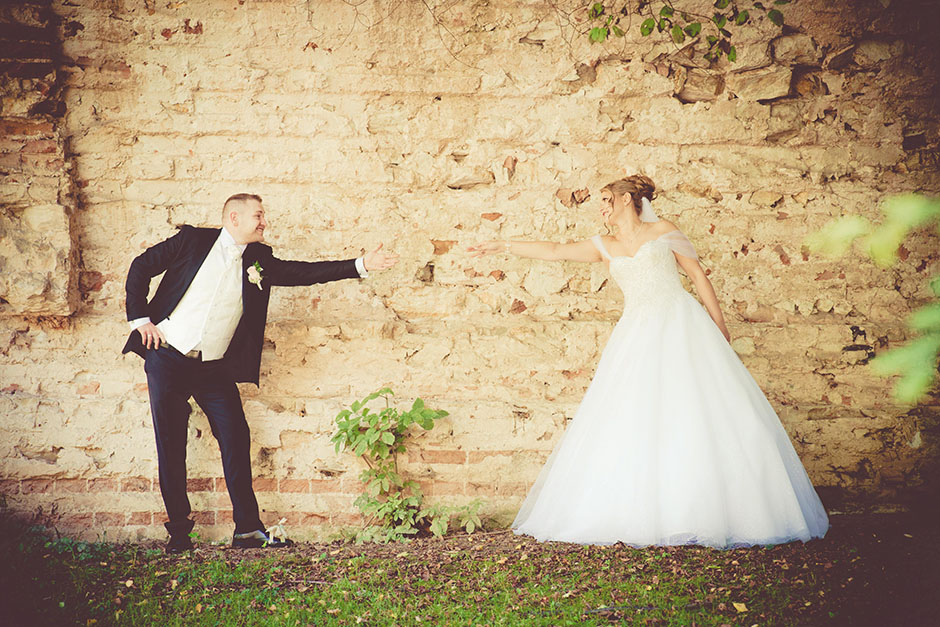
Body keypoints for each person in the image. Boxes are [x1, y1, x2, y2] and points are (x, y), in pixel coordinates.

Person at [467, 175, 829, 548]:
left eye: (607, 199)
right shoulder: (604, 245)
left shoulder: (664, 230)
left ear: (627, 199)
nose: (602, 207)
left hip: (682, 325)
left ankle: (715, 511)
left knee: (699, 410)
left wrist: (720, 326)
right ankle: (644, 512)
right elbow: (557, 250)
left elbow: (697, 276)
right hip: (637, 334)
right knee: (637, 414)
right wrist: (503, 244)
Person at [123, 193, 398, 553]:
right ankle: (179, 533)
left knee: (236, 436)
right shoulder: (192, 241)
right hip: (168, 357)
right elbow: (141, 266)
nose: (264, 221)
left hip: (214, 366)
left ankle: (248, 530)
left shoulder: (259, 261)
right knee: (171, 445)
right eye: (258, 215)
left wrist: (361, 264)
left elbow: (305, 274)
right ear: (234, 218)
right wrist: (140, 320)